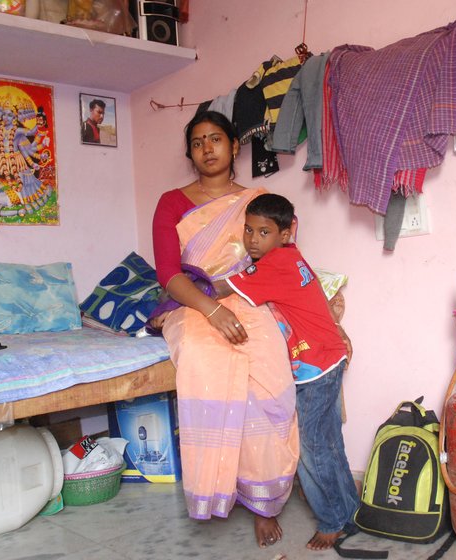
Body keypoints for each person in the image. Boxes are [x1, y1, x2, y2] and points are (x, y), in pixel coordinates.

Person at [151, 110, 299, 549]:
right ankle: (217, 486)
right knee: (205, 355)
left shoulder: (257, 199)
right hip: (192, 300)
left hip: (252, 297)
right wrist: (213, 311)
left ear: (235, 145)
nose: (207, 149)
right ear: (189, 153)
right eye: (197, 142)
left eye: (216, 139)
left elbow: (280, 261)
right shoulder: (171, 202)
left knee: (262, 364)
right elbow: (167, 274)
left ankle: (261, 500)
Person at [212, 193, 360, 551]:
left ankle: (331, 521)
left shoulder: (274, 264)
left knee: (311, 449)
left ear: (285, 234)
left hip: (315, 368)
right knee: (329, 443)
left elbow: (221, 289)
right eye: (248, 230)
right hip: (326, 360)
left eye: (263, 232)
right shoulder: (290, 257)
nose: (252, 240)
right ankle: (349, 511)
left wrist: (182, 287)